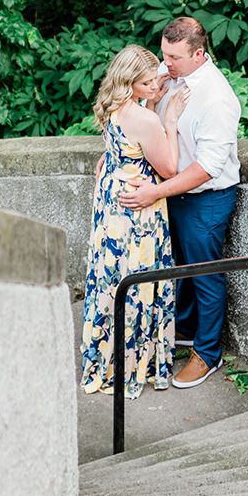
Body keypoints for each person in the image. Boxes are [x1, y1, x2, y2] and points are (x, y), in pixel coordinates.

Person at [118, 16, 242, 390]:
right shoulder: (167, 70)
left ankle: (207, 354)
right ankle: (185, 330)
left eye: (173, 57)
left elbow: (207, 168)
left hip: (207, 199)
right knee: (177, 266)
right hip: (171, 190)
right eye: (163, 53)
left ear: (198, 53)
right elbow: (137, 100)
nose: (164, 63)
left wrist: (155, 192)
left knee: (205, 273)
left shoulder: (218, 99)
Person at [79, 44, 189, 398]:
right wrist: (168, 122)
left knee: (111, 275)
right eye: (146, 84)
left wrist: (153, 104)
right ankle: (134, 361)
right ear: (128, 84)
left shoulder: (113, 106)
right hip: (137, 209)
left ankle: (104, 356)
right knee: (138, 281)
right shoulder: (146, 119)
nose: (154, 86)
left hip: (112, 199)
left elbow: (124, 144)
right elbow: (169, 168)